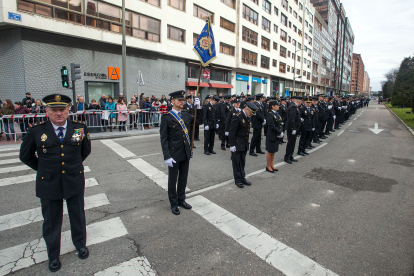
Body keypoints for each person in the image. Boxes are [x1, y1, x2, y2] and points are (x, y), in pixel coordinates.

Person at [19, 94, 91, 273]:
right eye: (54, 110)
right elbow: (25, 156)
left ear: (68, 110)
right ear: (47, 111)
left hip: (74, 179)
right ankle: (53, 255)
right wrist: (44, 170)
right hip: (49, 183)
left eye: (62, 109)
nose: (59, 113)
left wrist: (72, 167)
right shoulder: (36, 130)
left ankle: (80, 245)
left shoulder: (79, 128)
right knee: (51, 221)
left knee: (77, 215)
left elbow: (85, 151)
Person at [160, 90, 192, 215]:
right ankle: (173, 203)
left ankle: (181, 200)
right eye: (179, 100)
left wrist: (197, 107)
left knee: (183, 178)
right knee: (173, 180)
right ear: (172, 101)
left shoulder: (185, 114)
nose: (182, 102)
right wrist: (167, 156)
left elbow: (197, 121)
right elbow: (164, 139)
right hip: (173, 154)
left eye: (183, 100)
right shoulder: (167, 117)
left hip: (185, 152)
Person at [229, 102, 258, 188]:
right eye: (251, 113)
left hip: (244, 143)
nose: (251, 115)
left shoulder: (246, 117)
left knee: (242, 162)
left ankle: (242, 178)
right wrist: (232, 145)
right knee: (236, 163)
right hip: (237, 143)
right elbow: (232, 132)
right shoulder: (237, 117)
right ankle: (237, 180)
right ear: (246, 109)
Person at [265, 100, 283, 173]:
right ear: (272, 106)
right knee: (270, 151)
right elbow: (272, 126)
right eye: (277, 105)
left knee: (273, 151)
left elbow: (279, 123)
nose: (278, 106)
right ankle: (268, 166)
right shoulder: (270, 114)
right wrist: (279, 132)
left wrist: (280, 132)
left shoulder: (277, 114)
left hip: (276, 134)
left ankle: (272, 164)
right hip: (271, 134)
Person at [284, 96, 302, 164]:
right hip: (292, 128)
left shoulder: (294, 106)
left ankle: (290, 155)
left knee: (293, 143)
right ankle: (287, 157)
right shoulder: (293, 106)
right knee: (290, 143)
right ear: (299, 101)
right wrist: (293, 128)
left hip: (295, 127)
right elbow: (291, 118)